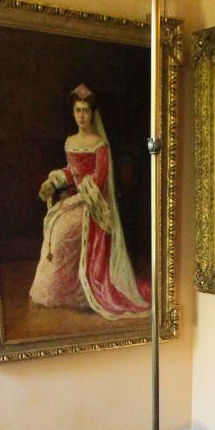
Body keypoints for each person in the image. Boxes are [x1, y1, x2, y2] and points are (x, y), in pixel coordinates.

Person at [29, 83, 149, 319]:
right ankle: (63, 291)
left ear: (93, 114)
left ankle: (83, 291)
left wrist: (81, 194)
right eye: (77, 110)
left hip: (93, 204)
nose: (81, 116)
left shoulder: (99, 144)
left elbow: (100, 177)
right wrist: (53, 182)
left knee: (64, 230)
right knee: (53, 224)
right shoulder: (70, 141)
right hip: (75, 198)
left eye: (85, 110)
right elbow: (69, 171)